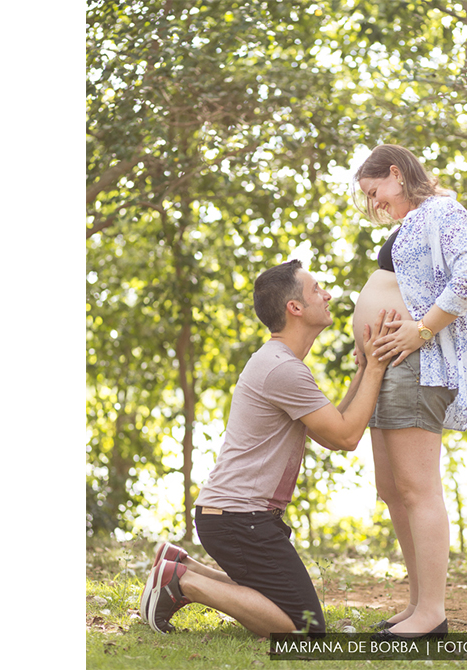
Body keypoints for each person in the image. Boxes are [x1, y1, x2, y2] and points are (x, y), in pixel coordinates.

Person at [139, 259, 397, 638]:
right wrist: (375, 367)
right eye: (316, 290)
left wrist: (362, 371)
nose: (326, 295)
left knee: (288, 608)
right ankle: (182, 583)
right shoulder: (282, 369)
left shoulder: (280, 364)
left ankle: (184, 567)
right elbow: (347, 437)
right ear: (295, 308)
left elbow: (331, 433)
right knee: (305, 632)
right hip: (240, 520)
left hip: (234, 516)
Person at [350, 144, 467, 641]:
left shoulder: (443, 211)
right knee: (391, 490)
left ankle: (432, 612)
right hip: (388, 367)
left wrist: (422, 331)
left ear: (395, 172)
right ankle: (416, 605)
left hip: (420, 364)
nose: (374, 204)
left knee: (417, 487)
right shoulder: (408, 225)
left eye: (375, 192)